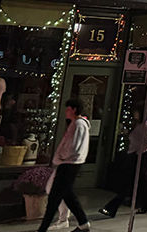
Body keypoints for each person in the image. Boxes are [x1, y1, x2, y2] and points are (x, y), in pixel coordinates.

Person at [38, 99, 90, 232]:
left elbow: (74, 145)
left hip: (68, 163)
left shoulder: (78, 124)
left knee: (54, 197)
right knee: (67, 195)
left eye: (68, 109)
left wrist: (62, 156)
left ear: (73, 109)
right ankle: (83, 223)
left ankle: (43, 228)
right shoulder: (76, 123)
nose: (66, 112)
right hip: (68, 163)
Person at [98, 109, 147, 218]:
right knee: (140, 182)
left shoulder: (146, 124)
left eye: (136, 111)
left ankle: (112, 207)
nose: (134, 113)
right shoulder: (136, 125)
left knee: (130, 182)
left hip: (141, 156)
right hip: (134, 154)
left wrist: (140, 150)